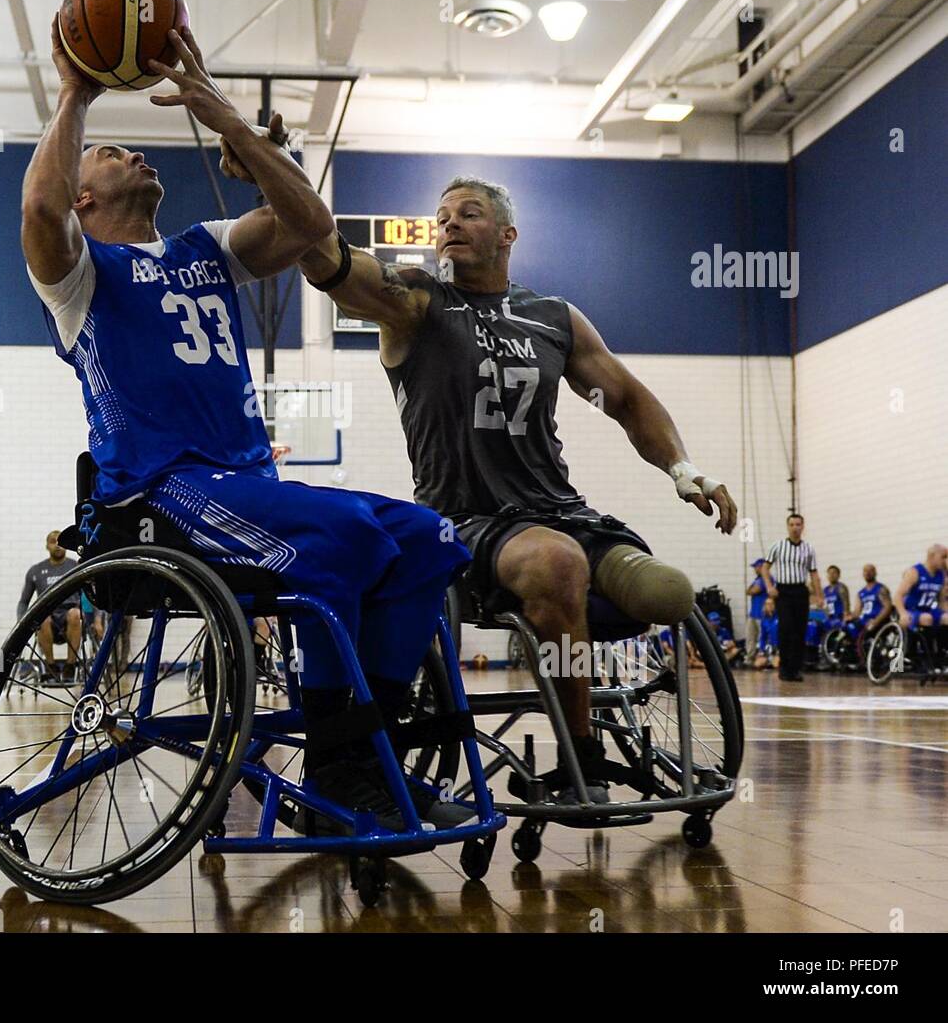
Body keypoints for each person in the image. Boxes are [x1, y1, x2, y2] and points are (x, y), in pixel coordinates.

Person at [20, 20, 470, 829]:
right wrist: (77, 91)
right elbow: (40, 203)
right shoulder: (78, 278)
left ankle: (366, 754)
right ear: (85, 196)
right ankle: (341, 766)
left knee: (430, 538)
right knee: (347, 541)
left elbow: (311, 226)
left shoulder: (205, 248)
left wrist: (231, 124)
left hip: (246, 488)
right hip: (159, 496)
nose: (139, 155)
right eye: (112, 153)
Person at [287, 174, 737, 803]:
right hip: (466, 522)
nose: (448, 224)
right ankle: (582, 760)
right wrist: (275, 175)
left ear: (507, 234)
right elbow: (329, 262)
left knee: (666, 590)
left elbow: (629, 399)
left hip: (561, 512)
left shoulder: (554, 318)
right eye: (441, 216)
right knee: (557, 563)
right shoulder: (415, 303)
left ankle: (601, 712)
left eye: (467, 214)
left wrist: (684, 471)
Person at [761, 514, 822, 683]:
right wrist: (769, 587)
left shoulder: (809, 549)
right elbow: (765, 568)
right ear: (788, 527)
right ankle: (784, 668)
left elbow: (814, 573)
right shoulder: (778, 546)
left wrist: (819, 595)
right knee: (786, 628)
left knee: (800, 630)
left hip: (800, 591)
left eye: (798, 524)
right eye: (792, 524)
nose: (795, 527)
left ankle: (795, 669)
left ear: (803, 527)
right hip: (783, 591)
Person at [17, 530, 83, 684]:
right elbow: (23, 602)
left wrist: (97, 619)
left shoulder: (76, 566)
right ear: (47, 546)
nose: (57, 545)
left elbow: (91, 595)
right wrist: (21, 622)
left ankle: (70, 666)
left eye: (60, 542)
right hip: (48, 616)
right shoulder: (36, 570)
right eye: (53, 541)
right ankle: (50, 666)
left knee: (75, 614)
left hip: (71, 615)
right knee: (42, 618)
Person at [894, 544, 947, 673]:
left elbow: (941, 601)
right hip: (911, 610)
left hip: (928, 609)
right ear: (932, 556)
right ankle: (926, 659)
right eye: (943, 557)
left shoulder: (941, 575)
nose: (945, 561)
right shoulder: (915, 572)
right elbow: (898, 596)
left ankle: (941, 657)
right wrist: (902, 614)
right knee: (927, 618)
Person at [846, 563, 891, 663]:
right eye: (865, 571)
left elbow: (887, 607)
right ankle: (852, 657)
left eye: (870, 570)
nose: (868, 573)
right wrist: (849, 616)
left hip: (877, 621)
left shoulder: (881, 589)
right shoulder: (861, 592)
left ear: (875, 573)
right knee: (847, 627)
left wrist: (876, 621)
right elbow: (857, 612)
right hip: (863, 621)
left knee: (859, 631)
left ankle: (864, 659)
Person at [746, 558, 768, 659]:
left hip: (761, 614)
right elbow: (748, 591)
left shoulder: (766, 579)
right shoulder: (757, 580)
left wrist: (751, 589)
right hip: (753, 614)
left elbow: (754, 590)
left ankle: (761, 657)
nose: (755, 569)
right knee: (751, 637)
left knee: (761, 637)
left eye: (756, 567)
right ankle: (750, 657)